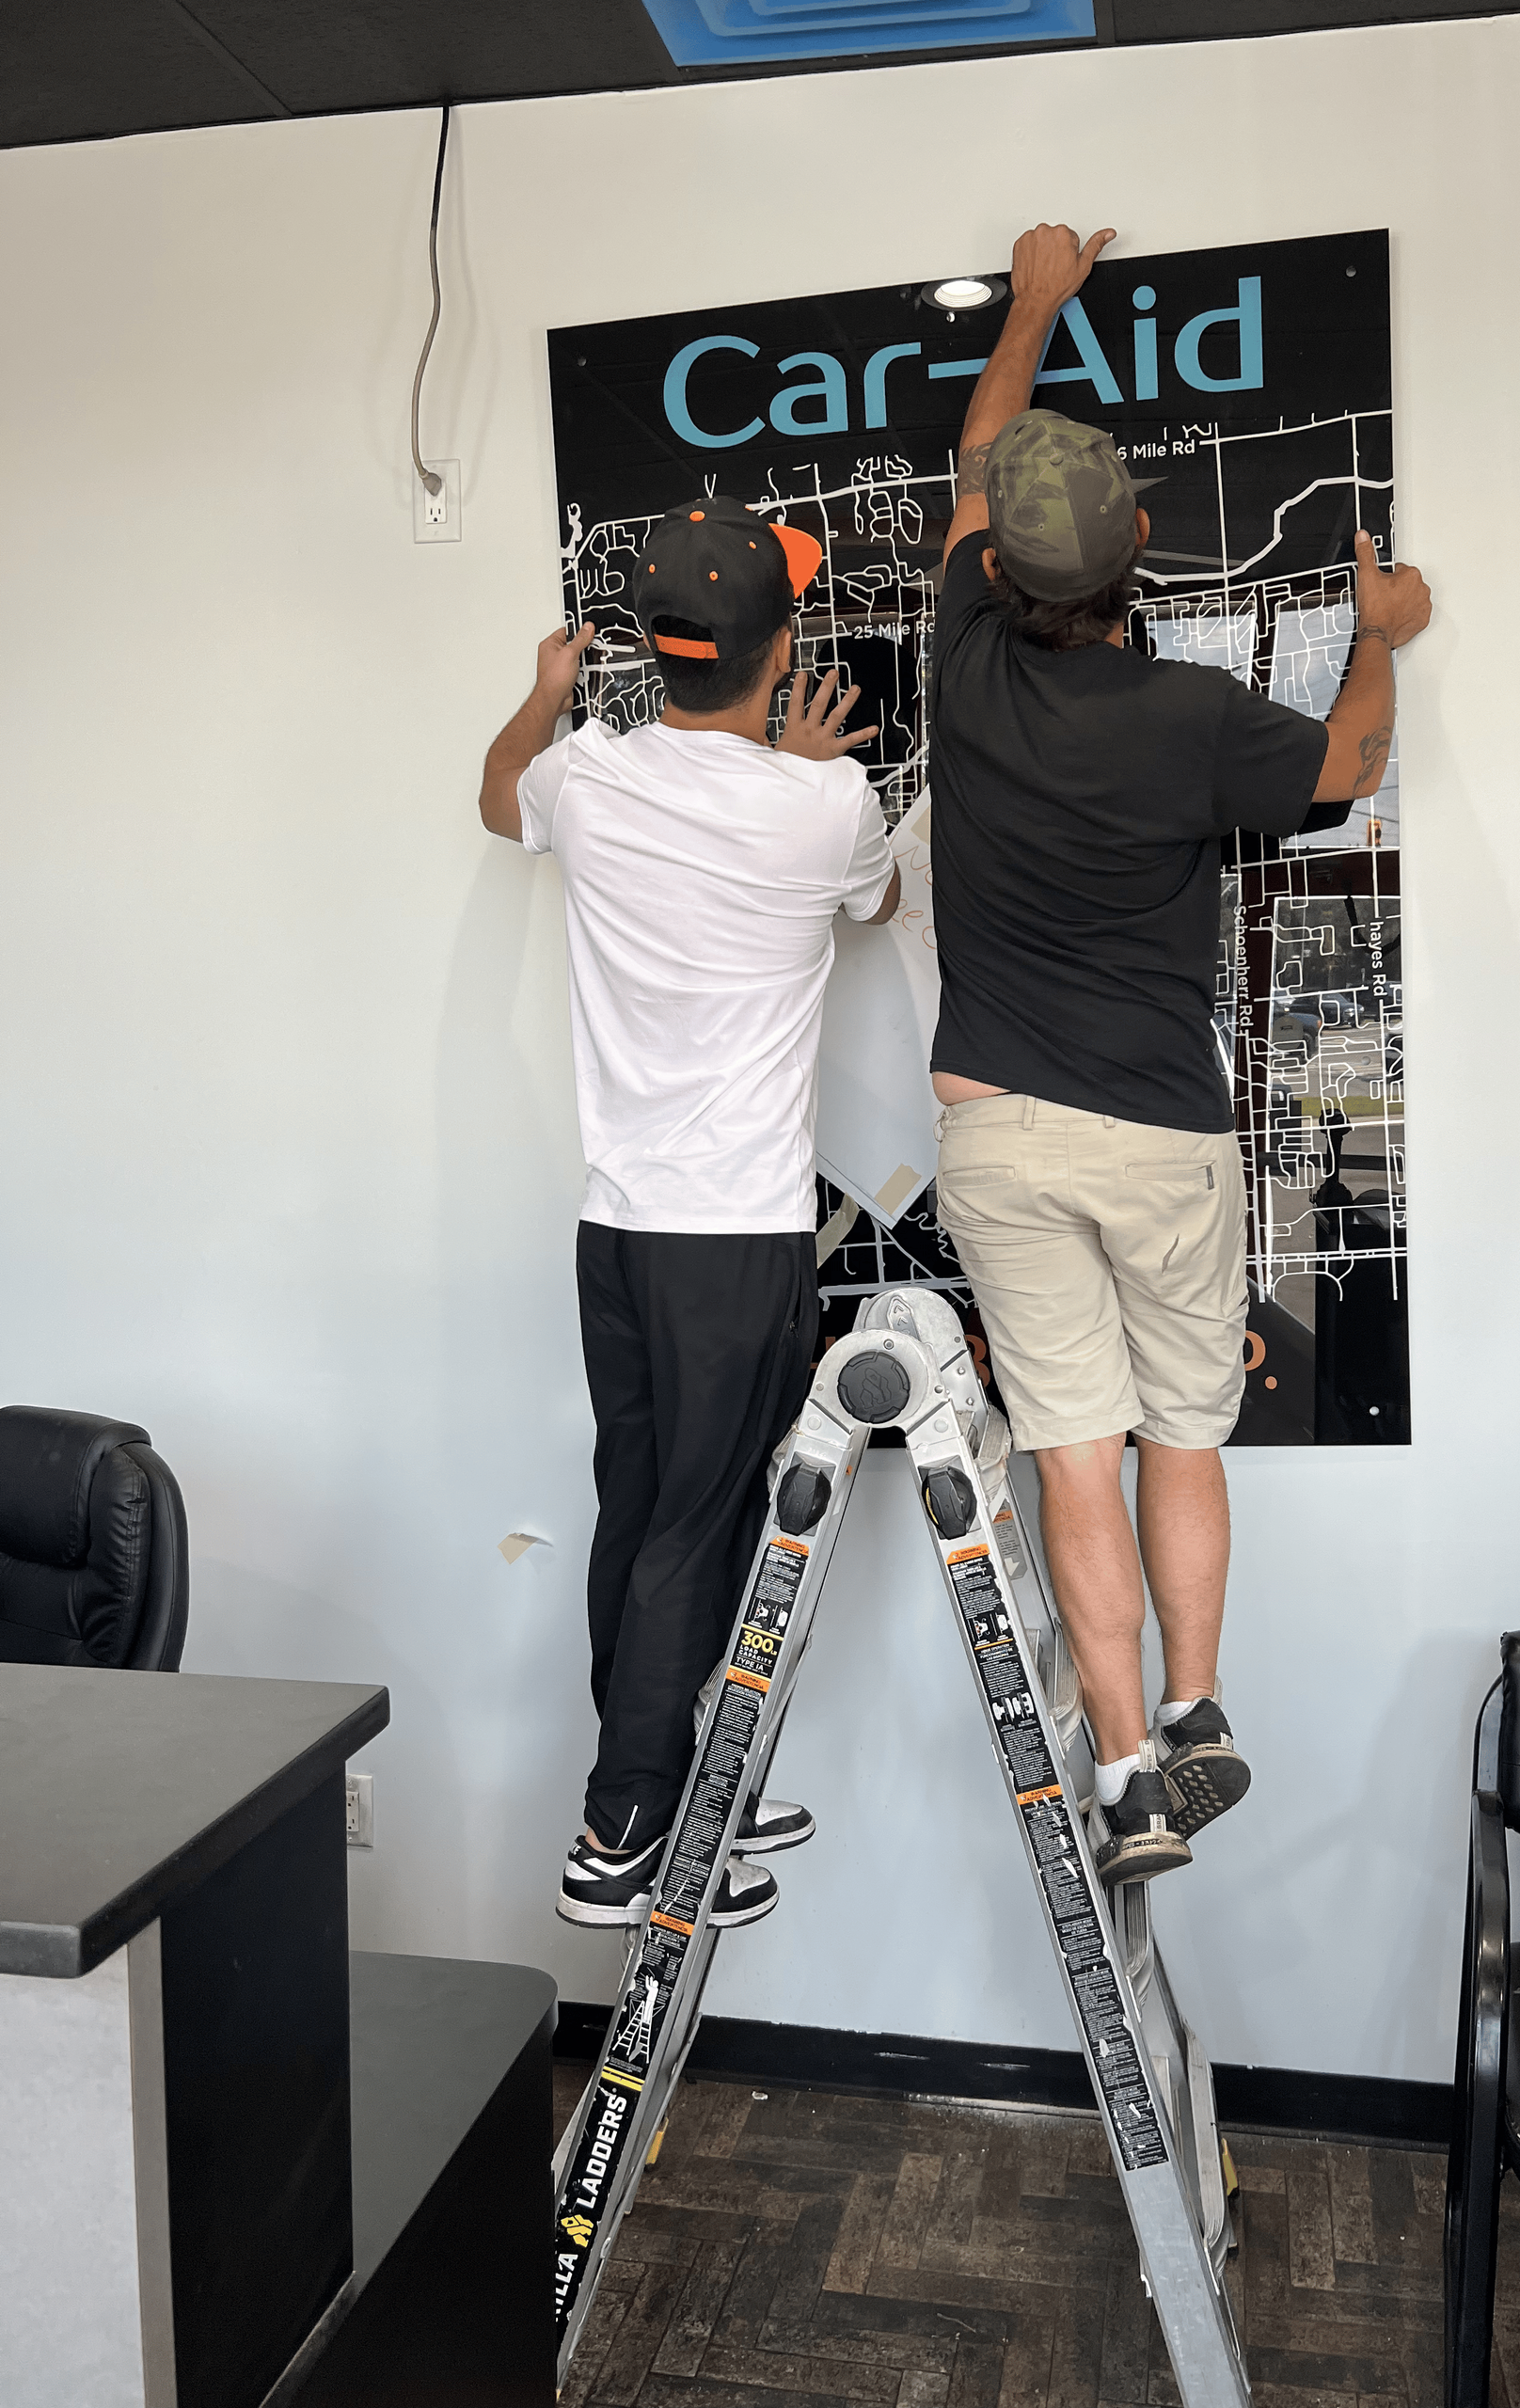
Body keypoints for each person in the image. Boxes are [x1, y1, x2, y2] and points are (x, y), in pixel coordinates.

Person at [927, 222, 1433, 1887]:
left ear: (996, 562)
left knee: (1071, 1452)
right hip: (1164, 1135)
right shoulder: (1197, 722)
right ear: (1143, 550)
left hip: (999, 1135)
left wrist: (1038, 301)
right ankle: (1204, 1708)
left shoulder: (961, 654)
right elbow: (1351, 765)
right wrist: (1388, 630)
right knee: (1181, 1441)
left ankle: (1132, 1769)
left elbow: (977, 453)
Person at [478, 499, 898, 1928]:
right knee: (696, 1531)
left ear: (648, 651)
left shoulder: (583, 778)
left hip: (620, 1225)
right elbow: (878, 896)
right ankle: (625, 1826)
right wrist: (797, 770)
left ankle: (672, 1768)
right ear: (780, 654)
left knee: (643, 1510)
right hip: (736, 1235)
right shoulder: (827, 805)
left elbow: (496, 796)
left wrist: (543, 692)